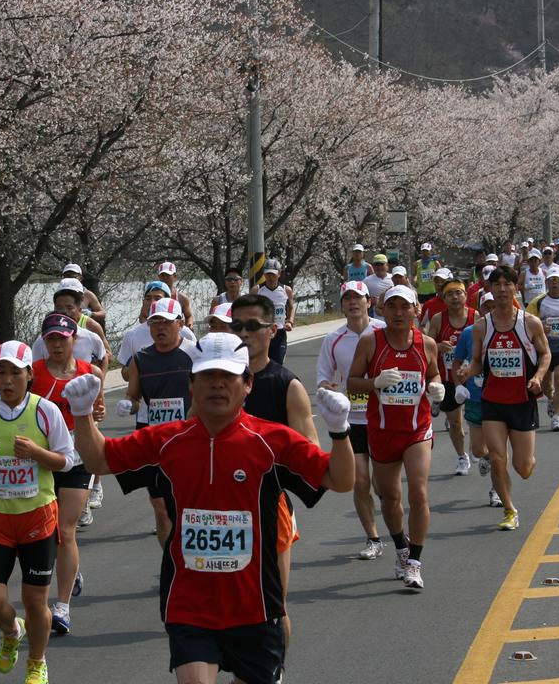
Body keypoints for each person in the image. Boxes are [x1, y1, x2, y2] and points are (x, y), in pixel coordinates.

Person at [71, 333, 355, 684]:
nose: (217, 385)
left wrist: (340, 432)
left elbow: (340, 480)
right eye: (206, 376)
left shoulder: (272, 442)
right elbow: (100, 459)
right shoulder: (167, 441)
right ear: (192, 384)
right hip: (190, 602)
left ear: (247, 384)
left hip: (255, 605)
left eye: (228, 377)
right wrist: (82, 415)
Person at [0, 341, 73, 681]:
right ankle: (10, 630)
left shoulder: (45, 411)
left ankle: (36, 662)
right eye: (0, 372)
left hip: (38, 517)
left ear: (29, 375)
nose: (6, 380)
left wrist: (37, 453)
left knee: (36, 602)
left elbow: (67, 459)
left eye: (14, 373)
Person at [232, 293, 319, 652]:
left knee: (271, 607)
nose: (244, 333)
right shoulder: (214, 380)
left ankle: (273, 672)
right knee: (228, 609)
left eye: (253, 326)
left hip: (270, 506)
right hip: (221, 510)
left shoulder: (286, 385)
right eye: (237, 326)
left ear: (272, 331)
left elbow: (310, 454)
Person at [348, 285, 444, 587]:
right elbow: (352, 382)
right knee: (390, 497)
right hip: (382, 430)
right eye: (393, 307)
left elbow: (434, 375)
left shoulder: (427, 344)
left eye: (405, 307)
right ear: (382, 310)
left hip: (417, 428)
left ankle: (415, 561)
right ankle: (401, 549)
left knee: (418, 492)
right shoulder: (370, 342)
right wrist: (375, 382)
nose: (399, 313)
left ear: (416, 310)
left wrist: (437, 387)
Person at [30, 314, 106, 636]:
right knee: (48, 531)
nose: (57, 345)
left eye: (63, 338)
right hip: (44, 459)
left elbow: (96, 413)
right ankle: (70, 571)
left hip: (78, 458)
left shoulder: (92, 373)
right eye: (51, 339)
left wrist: (96, 413)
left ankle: (61, 606)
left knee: (65, 528)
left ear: (75, 339)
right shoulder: (33, 374)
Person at [462, 267, 550, 532]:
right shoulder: (482, 327)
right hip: (493, 402)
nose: (501, 289)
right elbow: (478, 362)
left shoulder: (529, 323)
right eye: (496, 284)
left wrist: (539, 378)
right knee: (498, 459)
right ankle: (509, 509)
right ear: (489, 289)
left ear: (515, 289)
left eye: (506, 284)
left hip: (522, 401)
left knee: (523, 467)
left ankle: (525, 464)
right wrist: (468, 371)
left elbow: (545, 355)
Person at [316, 281, 386, 559]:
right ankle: (373, 538)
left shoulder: (384, 331)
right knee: (360, 481)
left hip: (384, 417)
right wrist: (327, 387)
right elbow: (322, 377)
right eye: (347, 298)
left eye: (358, 298)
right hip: (353, 421)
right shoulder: (333, 339)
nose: (353, 303)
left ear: (369, 301)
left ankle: (394, 526)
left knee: (384, 484)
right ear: (342, 304)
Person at [120, 298, 196, 548]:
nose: (160, 328)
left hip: (188, 436)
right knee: (160, 505)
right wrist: (127, 405)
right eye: (155, 323)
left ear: (180, 323)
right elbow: (133, 396)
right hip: (154, 437)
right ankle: (170, 565)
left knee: (187, 504)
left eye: (166, 322)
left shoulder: (194, 354)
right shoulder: (141, 359)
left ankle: (189, 559)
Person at [451, 293, 501, 507]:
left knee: (499, 448)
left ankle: (496, 490)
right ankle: (488, 459)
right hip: (475, 397)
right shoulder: (470, 333)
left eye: (494, 306)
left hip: (501, 398)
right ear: (479, 309)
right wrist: (459, 385)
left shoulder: (507, 330)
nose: (490, 310)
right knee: (480, 450)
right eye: (486, 307)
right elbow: (457, 362)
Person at [424, 280, 475, 472]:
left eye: (458, 293)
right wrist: (437, 347)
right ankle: (462, 456)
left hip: (472, 378)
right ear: (444, 298)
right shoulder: (438, 319)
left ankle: (476, 448)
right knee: (455, 422)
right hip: (447, 379)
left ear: (465, 296)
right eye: (450, 294)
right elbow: (427, 347)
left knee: (478, 420)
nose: (455, 297)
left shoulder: (474, 316)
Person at [526, 267, 559, 432]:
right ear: (547, 282)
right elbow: (526, 321)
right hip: (545, 347)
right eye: (551, 280)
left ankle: (556, 418)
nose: (555, 283)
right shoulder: (538, 301)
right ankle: (550, 399)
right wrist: (541, 327)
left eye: (558, 280)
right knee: (547, 384)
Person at [32, 279, 111, 372]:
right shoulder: (42, 339)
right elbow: (33, 370)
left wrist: (98, 382)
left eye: (69, 307)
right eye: (59, 307)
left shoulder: (91, 334)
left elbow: (105, 357)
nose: (64, 311)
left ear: (79, 308)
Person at [250, 259, 294, 365]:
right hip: (263, 333)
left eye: (273, 274)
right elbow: (251, 310)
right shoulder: (257, 290)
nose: (270, 277)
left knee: (278, 364)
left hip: (279, 333)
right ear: (264, 274)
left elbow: (291, 308)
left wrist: (290, 321)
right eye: (268, 274)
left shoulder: (286, 290)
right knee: (263, 364)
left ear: (279, 274)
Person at [157, 262, 195, 330]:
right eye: (162, 275)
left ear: (175, 276)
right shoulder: (153, 297)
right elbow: (143, 317)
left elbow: (189, 316)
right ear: (159, 277)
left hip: (177, 334)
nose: (165, 278)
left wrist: (190, 325)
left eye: (168, 275)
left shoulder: (182, 298)